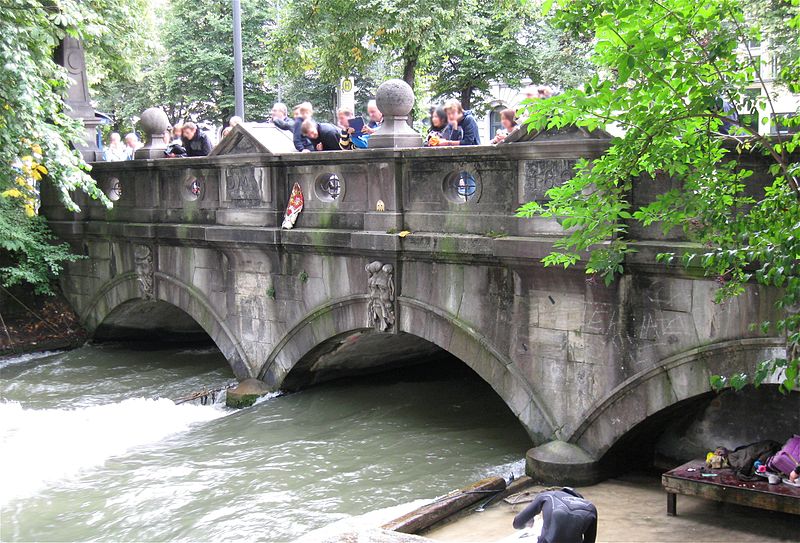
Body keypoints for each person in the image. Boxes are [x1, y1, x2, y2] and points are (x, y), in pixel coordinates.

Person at [512, 488, 597, 543]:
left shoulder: (548, 495)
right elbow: (590, 541)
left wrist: (529, 521)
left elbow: (517, 523)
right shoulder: (591, 507)